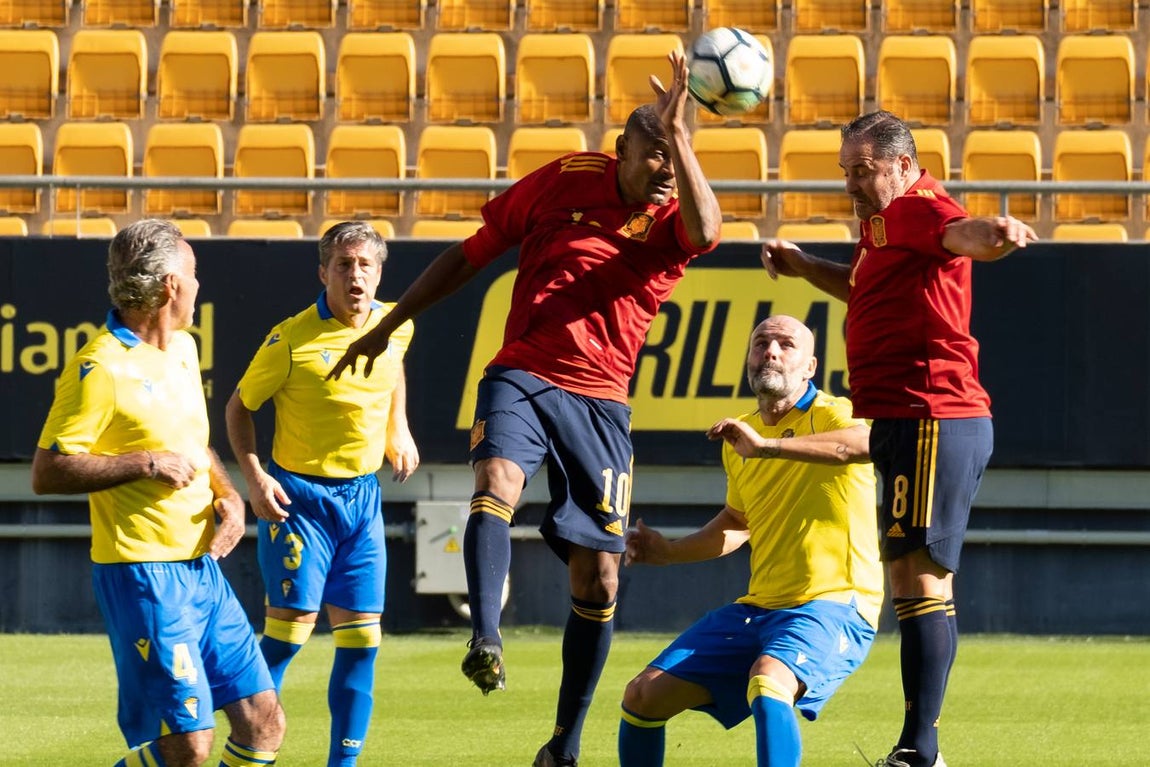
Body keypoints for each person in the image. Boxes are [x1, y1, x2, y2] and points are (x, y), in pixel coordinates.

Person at [328, 51, 721, 767]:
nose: (664, 172)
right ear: (620, 150)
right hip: (524, 374)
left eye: (675, 157)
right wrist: (387, 326)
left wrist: (684, 138)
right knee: (495, 486)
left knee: (599, 577)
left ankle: (563, 746)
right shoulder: (566, 179)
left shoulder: (671, 221)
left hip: (602, 403)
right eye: (654, 155)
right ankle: (486, 635)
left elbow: (709, 225)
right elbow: (471, 253)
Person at [760, 110, 1039, 767]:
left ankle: (922, 748)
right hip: (902, 418)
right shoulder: (881, 223)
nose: (852, 183)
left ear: (904, 166)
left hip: (933, 415)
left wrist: (994, 234)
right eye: (846, 172)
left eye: (863, 170)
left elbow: (959, 232)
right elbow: (863, 288)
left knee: (922, 583)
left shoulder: (920, 207)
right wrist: (803, 265)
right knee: (914, 582)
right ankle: (920, 746)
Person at [31, 219, 285, 767]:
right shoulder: (99, 367)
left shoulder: (185, 351)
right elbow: (48, 471)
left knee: (264, 722)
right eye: (194, 274)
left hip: (201, 572)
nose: (200, 285)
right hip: (143, 576)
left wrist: (229, 495)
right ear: (171, 284)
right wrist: (141, 462)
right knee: (188, 747)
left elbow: (194, 444)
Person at [618, 315, 882, 767]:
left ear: (810, 366)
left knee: (769, 680)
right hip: (760, 608)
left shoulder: (831, 412)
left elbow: (865, 443)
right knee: (643, 696)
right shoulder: (739, 434)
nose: (772, 351)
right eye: (761, 342)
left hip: (836, 604)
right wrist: (670, 552)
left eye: (786, 344)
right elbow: (738, 522)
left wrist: (767, 448)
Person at [225, 221, 419, 767]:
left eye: (365, 266)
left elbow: (392, 366)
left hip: (362, 502)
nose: (355, 276)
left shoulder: (395, 322)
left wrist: (396, 428)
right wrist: (255, 477)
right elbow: (239, 409)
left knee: (362, 644)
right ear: (323, 273)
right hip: (299, 502)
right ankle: (247, 752)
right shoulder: (290, 340)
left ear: (379, 273)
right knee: (288, 637)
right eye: (343, 265)